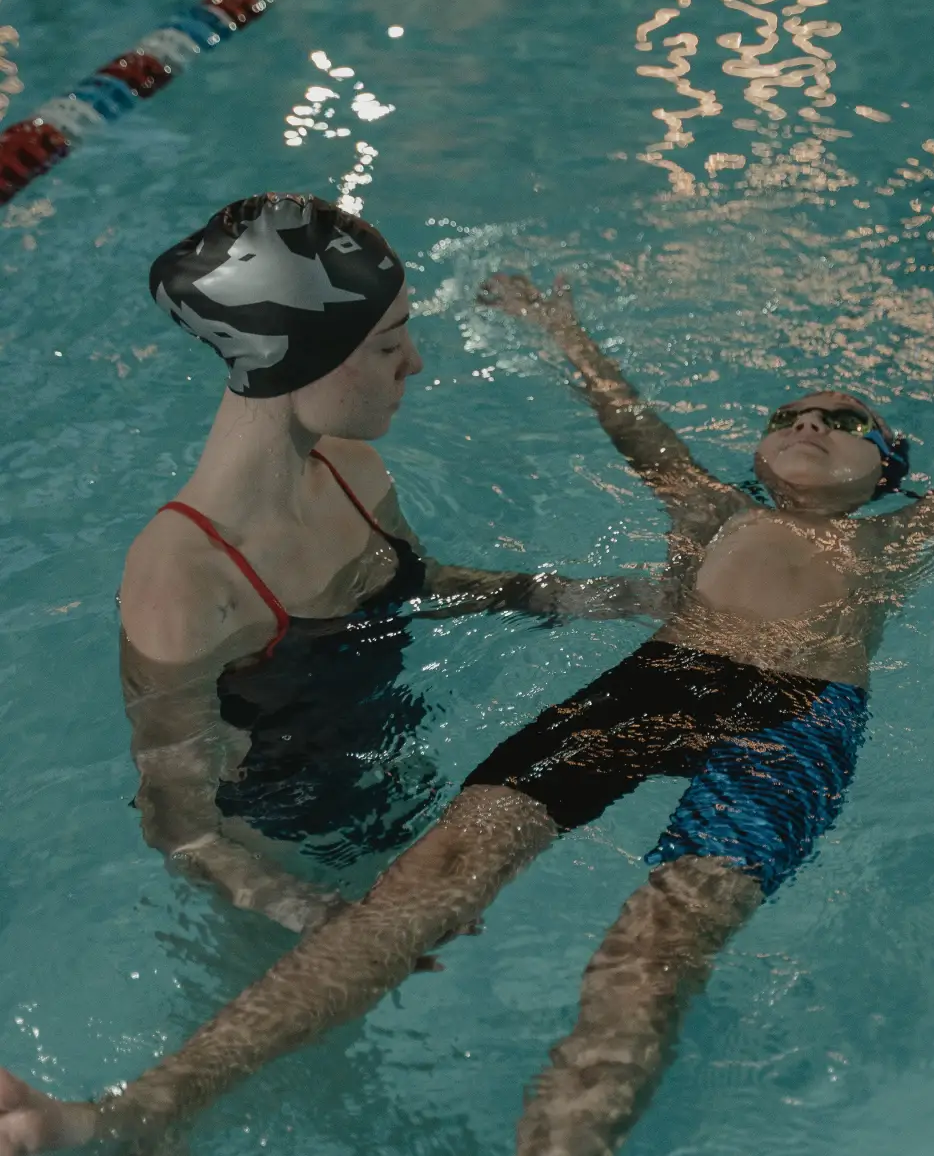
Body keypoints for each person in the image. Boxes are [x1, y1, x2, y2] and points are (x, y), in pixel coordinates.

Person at [0, 270, 934, 1156]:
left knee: (646, 967)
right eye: (791, 411)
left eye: (844, 422)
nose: (811, 422)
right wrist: (564, 335)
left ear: (886, 474)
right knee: (419, 892)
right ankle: (144, 1110)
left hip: (792, 727)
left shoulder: (890, 543)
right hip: (650, 686)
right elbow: (634, 427)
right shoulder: (703, 509)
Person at [121, 200, 655, 936]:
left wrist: (581, 595)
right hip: (279, 865)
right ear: (300, 358)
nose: (415, 362)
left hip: (398, 788)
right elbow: (179, 824)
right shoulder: (184, 577)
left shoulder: (350, 467)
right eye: (386, 345)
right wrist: (319, 917)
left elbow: (420, 584)